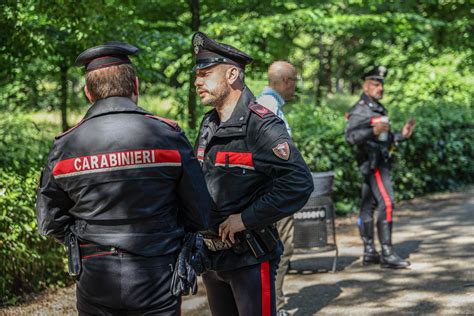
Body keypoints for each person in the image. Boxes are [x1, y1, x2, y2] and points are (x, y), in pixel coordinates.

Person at [36, 42, 210, 315]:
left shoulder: (65, 145)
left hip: (94, 271)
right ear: (135, 87)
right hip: (157, 271)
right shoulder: (168, 136)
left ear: (88, 92)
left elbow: (49, 220)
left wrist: (85, 239)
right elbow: (200, 212)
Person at [192, 32, 314, 316]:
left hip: (249, 257)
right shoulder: (209, 122)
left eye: (206, 73)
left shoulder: (261, 125)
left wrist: (244, 219)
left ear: (232, 74)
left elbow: (298, 183)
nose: (198, 81)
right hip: (212, 258)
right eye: (197, 74)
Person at [345, 66, 416, 269]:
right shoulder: (360, 109)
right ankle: (387, 252)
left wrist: (402, 135)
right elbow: (350, 138)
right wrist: (372, 131)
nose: (380, 88)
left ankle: (369, 251)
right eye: (376, 84)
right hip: (373, 164)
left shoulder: (377, 108)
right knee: (387, 202)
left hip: (378, 161)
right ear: (365, 86)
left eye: (381, 84)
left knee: (368, 206)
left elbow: (385, 138)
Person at [256, 61, 298, 315]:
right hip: (276, 191)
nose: (295, 86)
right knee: (282, 248)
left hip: (270, 191)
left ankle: (272, 304)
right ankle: (275, 306)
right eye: (294, 80)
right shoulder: (270, 107)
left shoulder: (265, 104)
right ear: (284, 82)